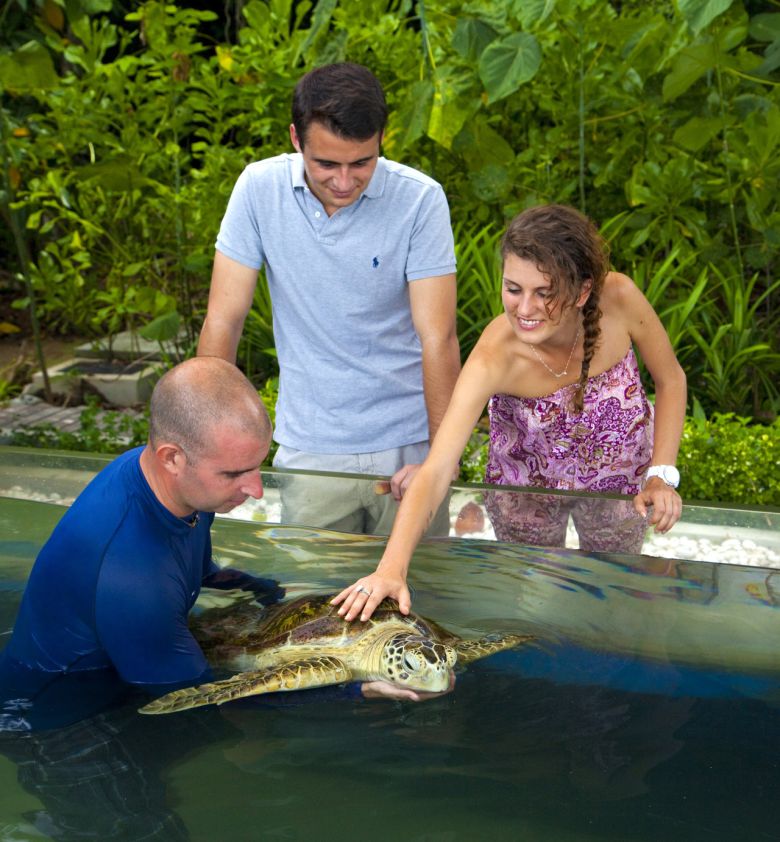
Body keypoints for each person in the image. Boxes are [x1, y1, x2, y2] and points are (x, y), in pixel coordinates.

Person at [0, 358, 445, 731]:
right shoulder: (133, 581)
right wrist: (357, 689)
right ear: (172, 458)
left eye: (257, 466)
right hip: (63, 716)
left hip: (131, 656)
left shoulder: (171, 481)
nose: (255, 489)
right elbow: (203, 698)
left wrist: (249, 585)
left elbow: (185, 559)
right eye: (234, 474)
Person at [333, 204, 687, 622]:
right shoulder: (494, 355)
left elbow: (671, 380)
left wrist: (662, 474)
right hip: (525, 493)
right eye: (513, 288)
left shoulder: (621, 298)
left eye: (544, 292)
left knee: (613, 594)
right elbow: (437, 467)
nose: (524, 309)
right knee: (533, 604)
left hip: (619, 484)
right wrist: (390, 570)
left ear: (582, 291)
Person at [197, 62, 459, 535]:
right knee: (308, 597)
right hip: (311, 446)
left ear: (381, 140)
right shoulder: (258, 190)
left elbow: (437, 337)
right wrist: (209, 444)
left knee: (419, 595)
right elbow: (223, 320)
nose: (344, 180)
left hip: (408, 446)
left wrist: (441, 460)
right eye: (326, 164)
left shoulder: (421, 200)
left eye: (362, 162)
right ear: (296, 139)